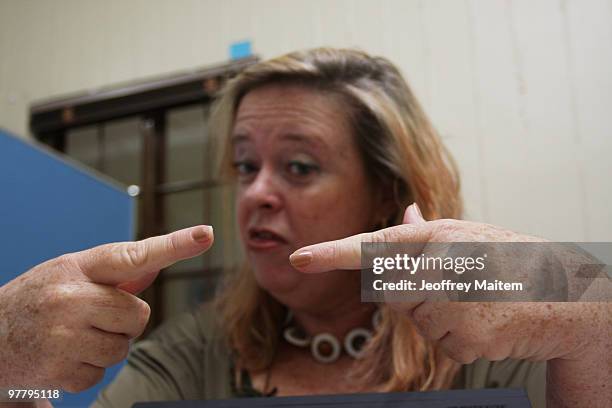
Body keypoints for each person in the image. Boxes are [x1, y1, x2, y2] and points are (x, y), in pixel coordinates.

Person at [0, 48, 609, 408]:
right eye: (244, 165)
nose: (256, 192)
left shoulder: (479, 342)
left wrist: (585, 301)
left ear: (387, 193)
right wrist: (12, 376)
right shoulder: (197, 356)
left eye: (299, 166)